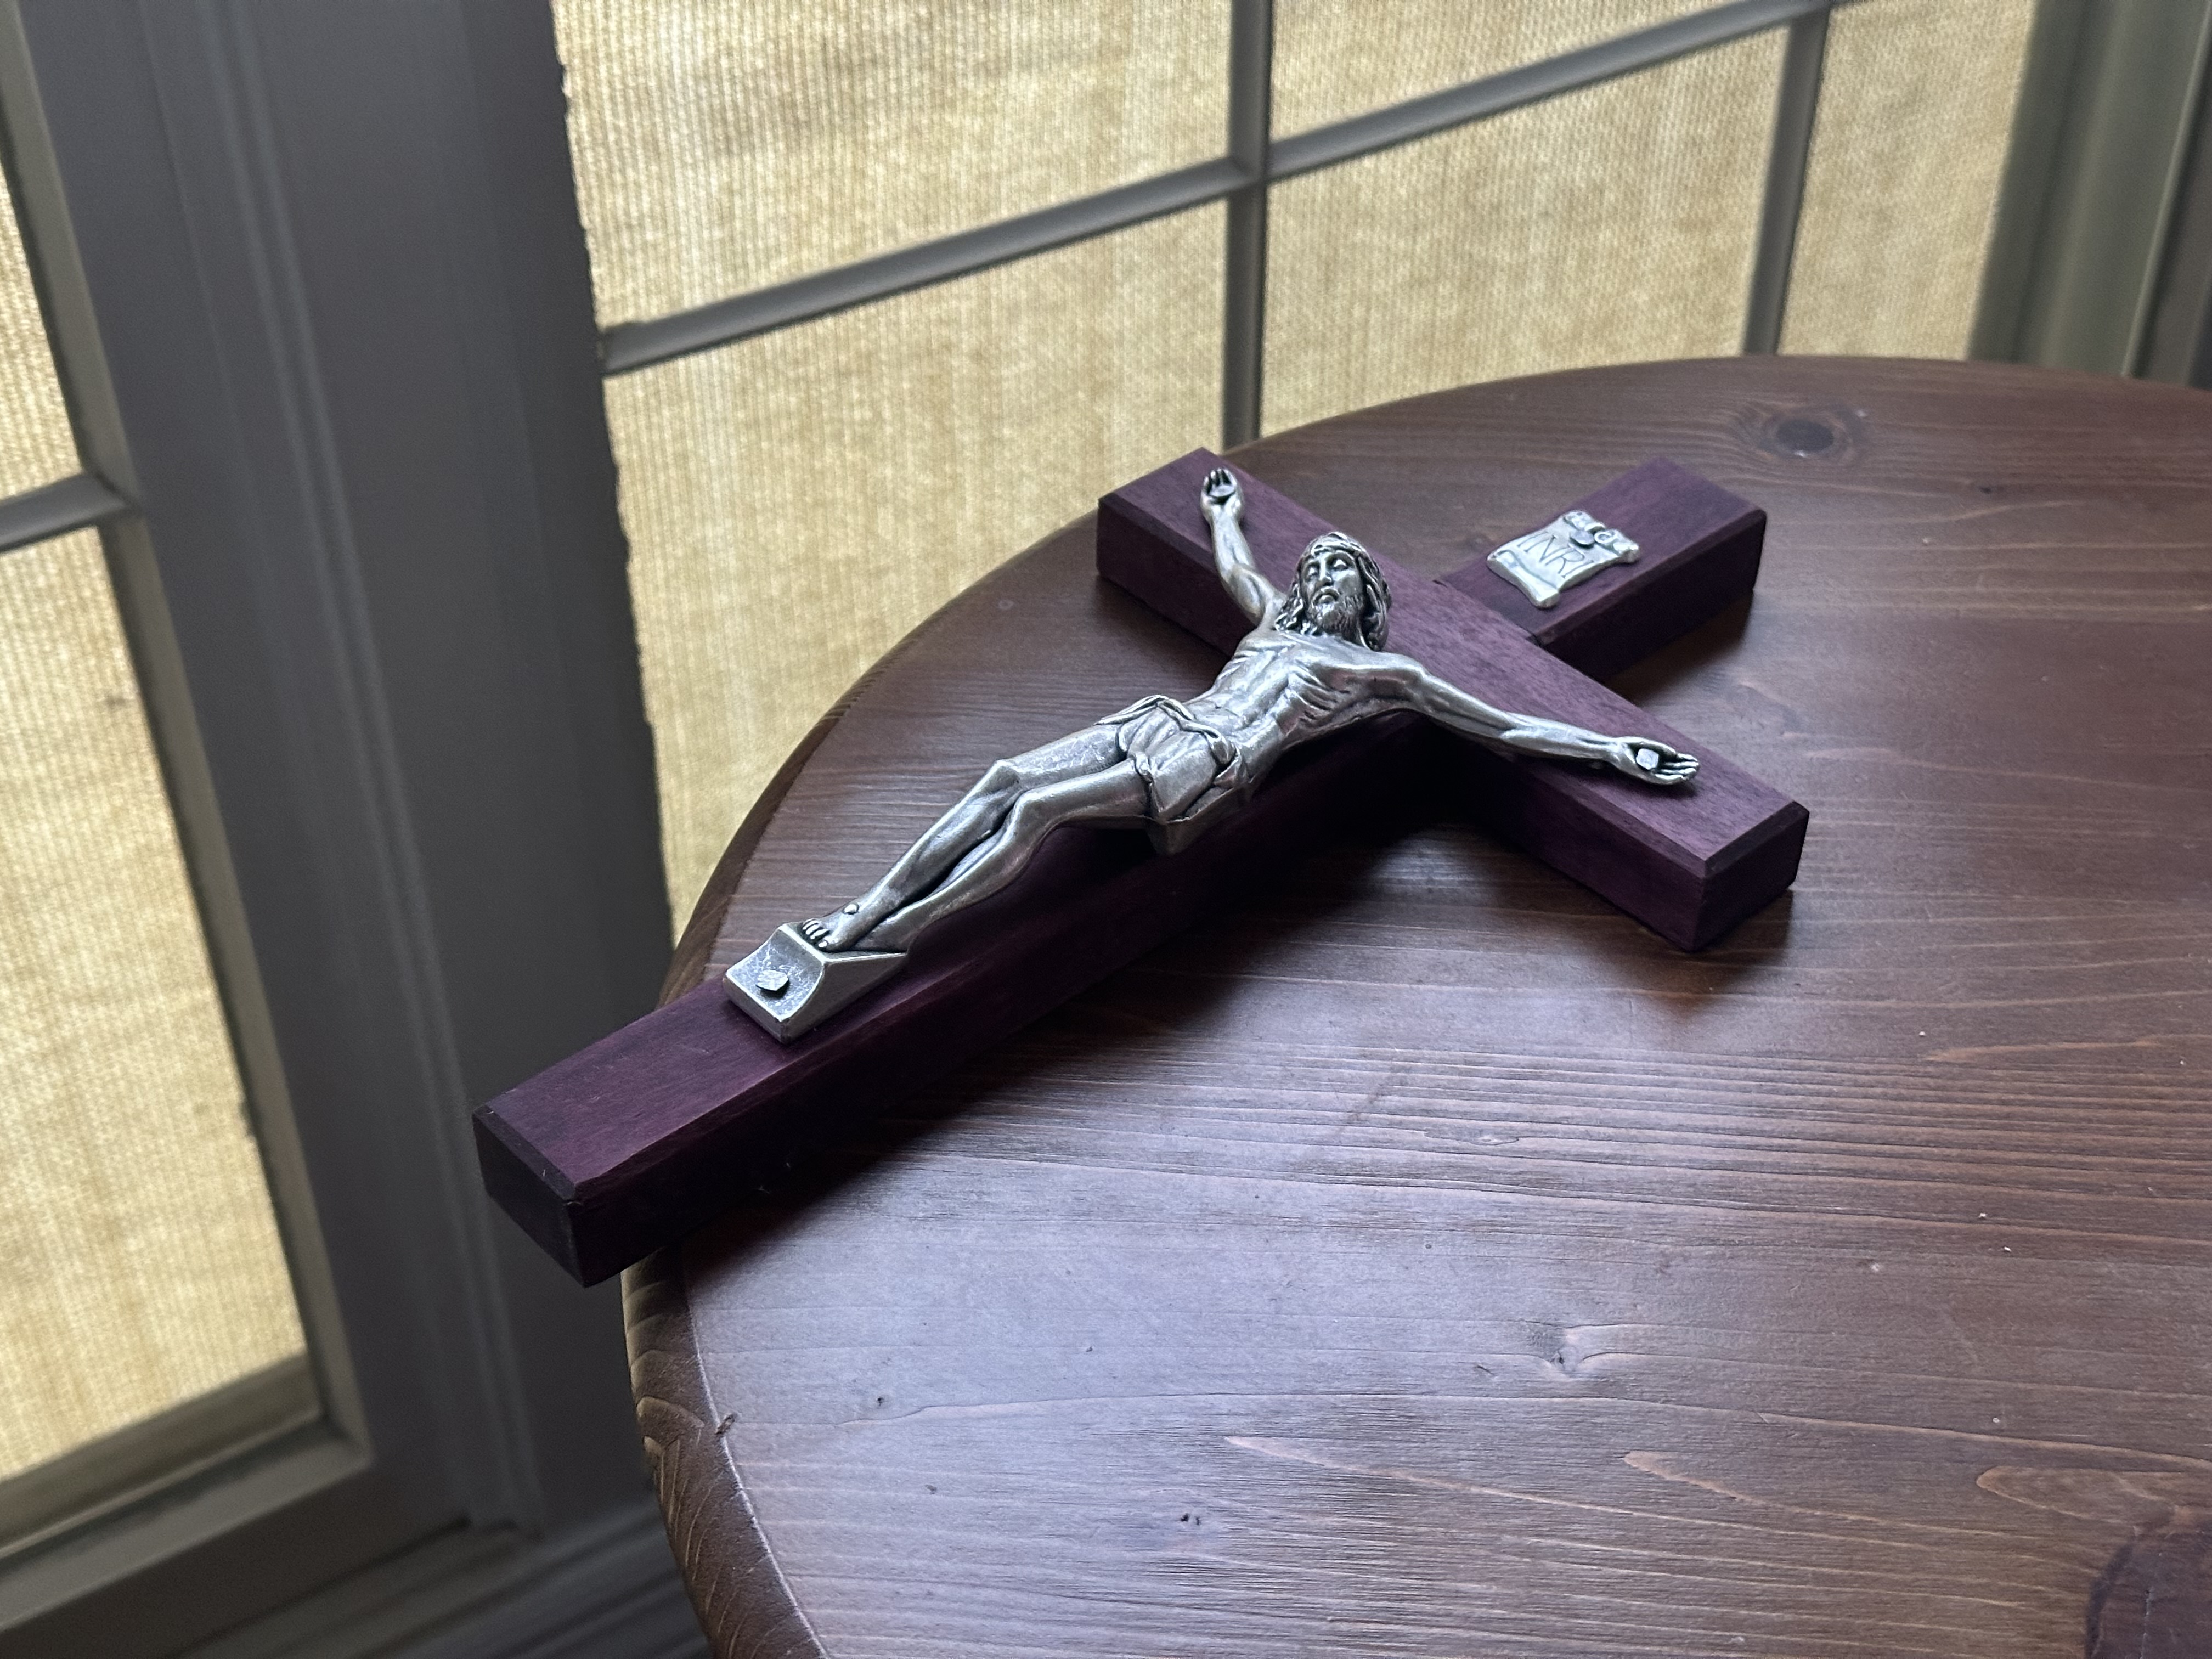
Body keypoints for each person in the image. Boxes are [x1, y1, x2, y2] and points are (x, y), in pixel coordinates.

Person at [800, 467, 1695, 956]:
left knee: (1038, 810)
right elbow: (1236, 568)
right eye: (1317, 568)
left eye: (1344, 570)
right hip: (1161, 719)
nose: (1325, 576)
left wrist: (1611, 751)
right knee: (1003, 778)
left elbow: (1502, 725)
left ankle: (896, 933)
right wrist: (1222, 510)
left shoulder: (1380, 670)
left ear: (1369, 595)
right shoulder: (1272, 622)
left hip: (1214, 762)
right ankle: (868, 903)